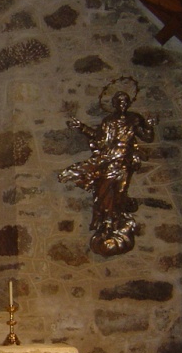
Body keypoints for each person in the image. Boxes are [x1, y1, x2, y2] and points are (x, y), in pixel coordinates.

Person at [59, 90, 156, 255]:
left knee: (120, 193)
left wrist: (150, 125)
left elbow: (146, 136)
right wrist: (82, 127)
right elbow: (99, 138)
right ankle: (107, 223)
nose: (122, 104)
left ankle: (115, 222)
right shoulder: (109, 121)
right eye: (119, 101)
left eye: (125, 101)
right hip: (109, 161)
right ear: (114, 104)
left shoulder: (134, 119)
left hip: (124, 163)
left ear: (129, 103)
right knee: (104, 194)